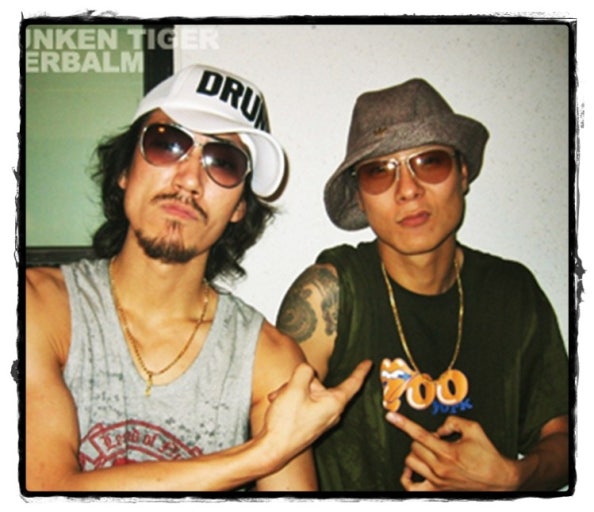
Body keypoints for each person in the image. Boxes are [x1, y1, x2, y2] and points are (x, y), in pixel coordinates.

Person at [25, 63, 371, 493]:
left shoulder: (270, 359)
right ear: (125, 170)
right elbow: (42, 490)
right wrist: (259, 455)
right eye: (167, 144)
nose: (189, 179)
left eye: (223, 163)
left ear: (240, 207)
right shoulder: (37, 307)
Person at [276, 78, 570, 492]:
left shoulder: (513, 292)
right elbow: (273, 446)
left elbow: (562, 439)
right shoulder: (329, 297)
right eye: (379, 172)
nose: (409, 190)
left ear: (462, 173)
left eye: (429, 162)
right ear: (359, 197)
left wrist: (513, 476)